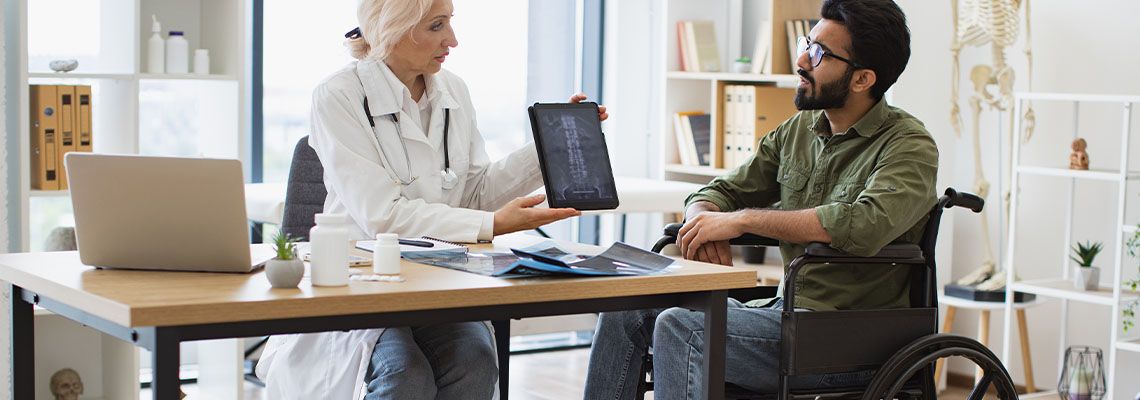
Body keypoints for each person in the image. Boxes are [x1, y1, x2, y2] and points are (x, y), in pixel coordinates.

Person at [583, 0, 937, 398]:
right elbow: (718, 191)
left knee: (682, 327)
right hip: (782, 314)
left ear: (862, 79)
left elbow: (863, 223)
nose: (802, 59)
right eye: (808, 42)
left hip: (845, 338)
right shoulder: (799, 130)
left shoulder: (909, 145)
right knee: (625, 307)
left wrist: (741, 221)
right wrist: (704, 221)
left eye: (819, 53)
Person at [254, 0, 607, 398]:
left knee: (474, 361)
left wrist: (548, 147)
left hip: (438, 276)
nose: (452, 40)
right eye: (436, 26)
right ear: (393, 28)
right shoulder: (339, 95)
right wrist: (492, 225)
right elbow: (382, 217)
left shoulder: (453, 90)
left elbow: (474, 192)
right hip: (365, 279)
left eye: (449, 24)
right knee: (404, 374)